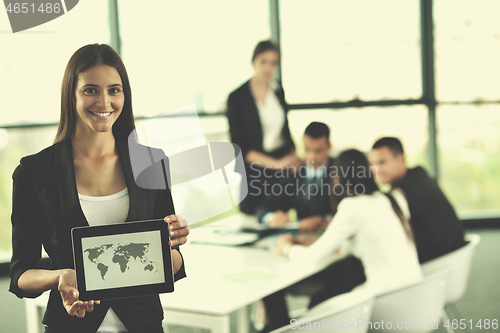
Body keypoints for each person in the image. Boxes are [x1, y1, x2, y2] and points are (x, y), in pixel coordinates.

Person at [9, 44, 189, 333]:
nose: (104, 101)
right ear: (71, 95)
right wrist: (60, 277)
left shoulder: (151, 162)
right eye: (90, 90)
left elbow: (174, 261)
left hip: (143, 324)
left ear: (124, 95)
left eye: (114, 90)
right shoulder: (34, 173)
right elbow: (20, 274)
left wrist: (172, 242)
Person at [263, 149, 423, 331]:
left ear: (338, 178)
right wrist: (322, 242)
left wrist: (286, 248)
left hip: (385, 305)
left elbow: (309, 259)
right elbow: (369, 243)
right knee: (325, 296)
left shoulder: (352, 207)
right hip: (417, 300)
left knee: (318, 307)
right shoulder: (395, 198)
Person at [226, 40, 302, 215]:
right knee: (252, 216)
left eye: (274, 62)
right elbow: (238, 145)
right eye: (263, 61)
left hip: (282, 165)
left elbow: (285, 131)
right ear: (254, 62)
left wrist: (293, 156)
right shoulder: (237, 97)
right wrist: (276, 165)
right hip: (255, 168)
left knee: (280, 216)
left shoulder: (278, 92)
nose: (269, 67)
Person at [370, 137, 466, 263]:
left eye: (382, 162)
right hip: (456, 258)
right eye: (372, 164)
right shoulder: (419, 176)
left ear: (400, 159)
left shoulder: (400, 192)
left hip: (436, 263)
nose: (376, 170)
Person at [255, 122, 334, 232]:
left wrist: (323, 219)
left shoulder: (339, 171)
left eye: (318, 151)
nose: (312, 157)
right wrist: (272, 218)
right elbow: (263, 208)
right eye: (307, 150)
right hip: (300, 235)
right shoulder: (294, 172)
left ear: (329, 146)